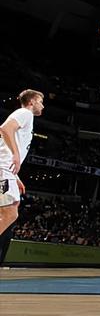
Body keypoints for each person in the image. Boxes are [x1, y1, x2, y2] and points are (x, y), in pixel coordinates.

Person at [0, 90, 44, 239]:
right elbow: (5, 128)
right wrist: (16, 154)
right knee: (10, 212)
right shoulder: (25, 113)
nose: (43, 106)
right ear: (31, 102)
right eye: (40, 102)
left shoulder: (26, 117)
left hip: (6, 169)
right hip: (3, 168)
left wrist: (16, 177)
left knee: (12, 205)